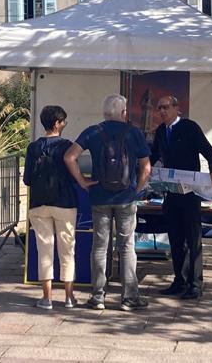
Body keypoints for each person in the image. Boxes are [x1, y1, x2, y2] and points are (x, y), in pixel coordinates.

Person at [64, 94, 151, 311]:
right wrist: (136, 190)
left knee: (100, 246)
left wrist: (83, 182)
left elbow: (69, 157)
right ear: (123, 113)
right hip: (125, 198)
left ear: (104, 113)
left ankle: (98, 297)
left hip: (99, 198)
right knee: (127, 246)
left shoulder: (93, 131)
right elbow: (146, 168)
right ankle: (129, 297)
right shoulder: (134, 133)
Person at [150, 95, 212, 300]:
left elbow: (209, 151)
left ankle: (195, 284)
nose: (162, 111)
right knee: (175, 238)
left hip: (190, 192)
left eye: (165, 107)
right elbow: (154, 155)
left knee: (193, 239)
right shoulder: (161, 132)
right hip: (171, 192)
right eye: (159, 108)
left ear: (176, 108)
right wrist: (146, 171)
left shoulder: (189, 127)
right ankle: (179, 280)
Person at [23, 105, 78, 310]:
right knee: (67, 250)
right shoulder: (67, 146)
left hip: (39, 204)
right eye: (63, 121)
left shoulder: (33, 147)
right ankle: (69, 297)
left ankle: (46, 298)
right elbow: (74, 175)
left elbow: (27, 179)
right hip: (65, 203)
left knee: (44, 249)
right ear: (57, 123)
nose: (64, 124)